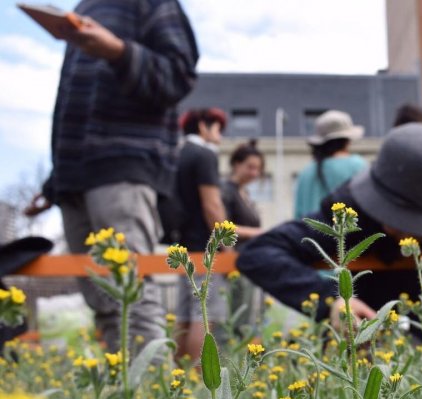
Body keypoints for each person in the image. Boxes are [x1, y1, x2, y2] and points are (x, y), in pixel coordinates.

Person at [24, 0, 198, 352]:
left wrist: (118, 51)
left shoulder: (152, 4)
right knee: (102, 302)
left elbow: (178, 76)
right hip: (74, 179)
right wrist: (54, 182)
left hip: (124, 165)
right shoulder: (87, 6)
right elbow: (74, 110)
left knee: (131, 294)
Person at [237, 123, 422, 327]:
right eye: (395, 218)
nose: (402, 232)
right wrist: (332, 302)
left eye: (417, 225)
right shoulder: (349, 208)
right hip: (377, 345)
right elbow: (260, 252)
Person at [174, 108, 228, 359]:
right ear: (203, 127)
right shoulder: (204, 155)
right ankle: (198, 379)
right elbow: (212, 205)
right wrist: (227, 245)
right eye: (217, 128)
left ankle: (177, 378)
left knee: (184, 315)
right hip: (205, 246)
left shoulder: (177, 155)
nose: (220, 135)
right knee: (204, 314)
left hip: (182, 245)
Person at [221, 140, 266, 333]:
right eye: (250, 167)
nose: (255, 173)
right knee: (238, 317)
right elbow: (223, 227)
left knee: (249, 316)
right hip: (234, 262)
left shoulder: (244, 193)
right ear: (236, 164)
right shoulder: (226, 190)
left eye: (258, 169)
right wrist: (259, 233)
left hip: (249, 262)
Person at [294, 110, 368, 219]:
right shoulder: (358, 165)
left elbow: (298, 215)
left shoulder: (306, 172)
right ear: (347, 140)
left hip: (309, 234)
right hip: (346, 234)